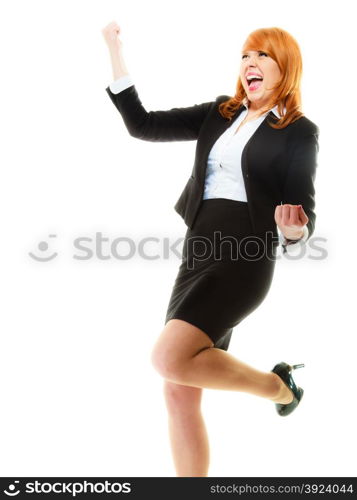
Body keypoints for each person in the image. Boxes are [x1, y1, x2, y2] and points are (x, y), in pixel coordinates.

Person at [102, 22, 319, 477]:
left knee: (168, 357)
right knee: (178, 388)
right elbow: (142, 125)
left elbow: (303, 216)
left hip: (245, 254)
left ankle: (279, 388)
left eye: (261, 56)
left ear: (286, 67)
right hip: (197, 251)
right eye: (245, 56)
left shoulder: (297, 131)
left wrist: (294, 229)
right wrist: (114, 51)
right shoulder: (218, 113)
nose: (249, 64)